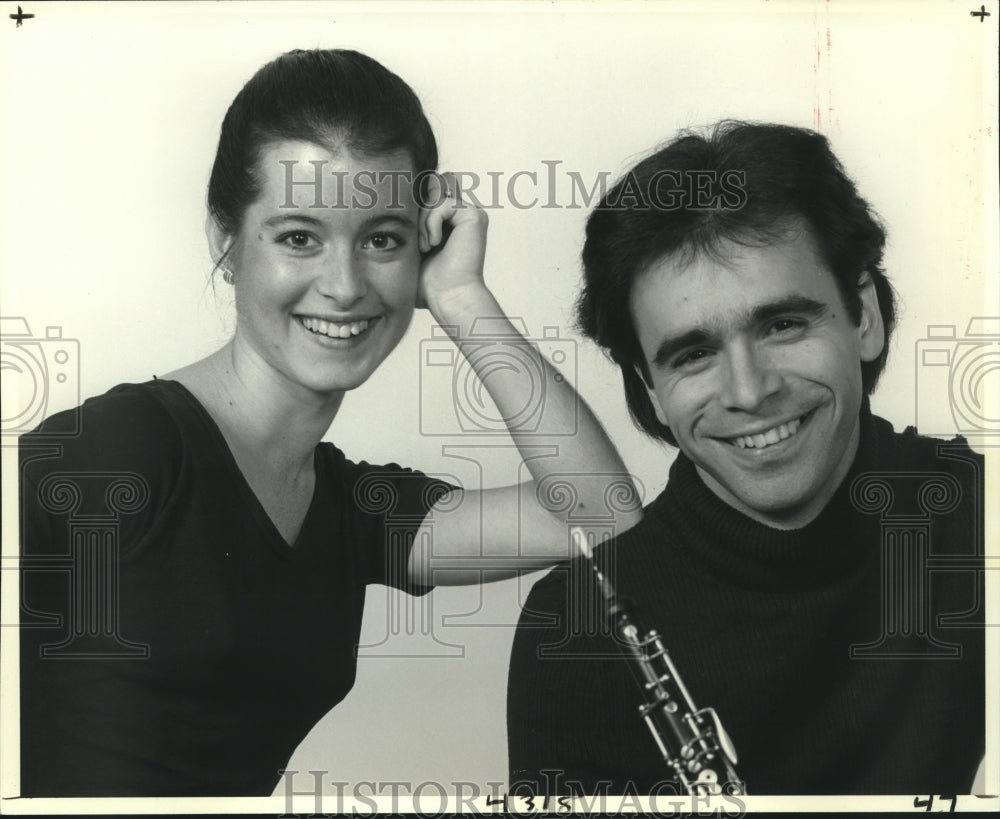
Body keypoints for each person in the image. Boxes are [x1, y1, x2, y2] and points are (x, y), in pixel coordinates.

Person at [17, 48, 641, 797]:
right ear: (227, 242)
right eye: (298, 237)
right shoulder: (122, 448)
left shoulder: (351, 509)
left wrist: (464, 298)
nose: (344, 287)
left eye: (381, 239)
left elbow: (601, 518)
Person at [506, 121, 985, 796]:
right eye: (693, 354)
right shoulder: (577, 627)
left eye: (783, 324)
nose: (750, 390)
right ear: (649, 386)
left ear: (865, 315)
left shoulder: (975, 512)